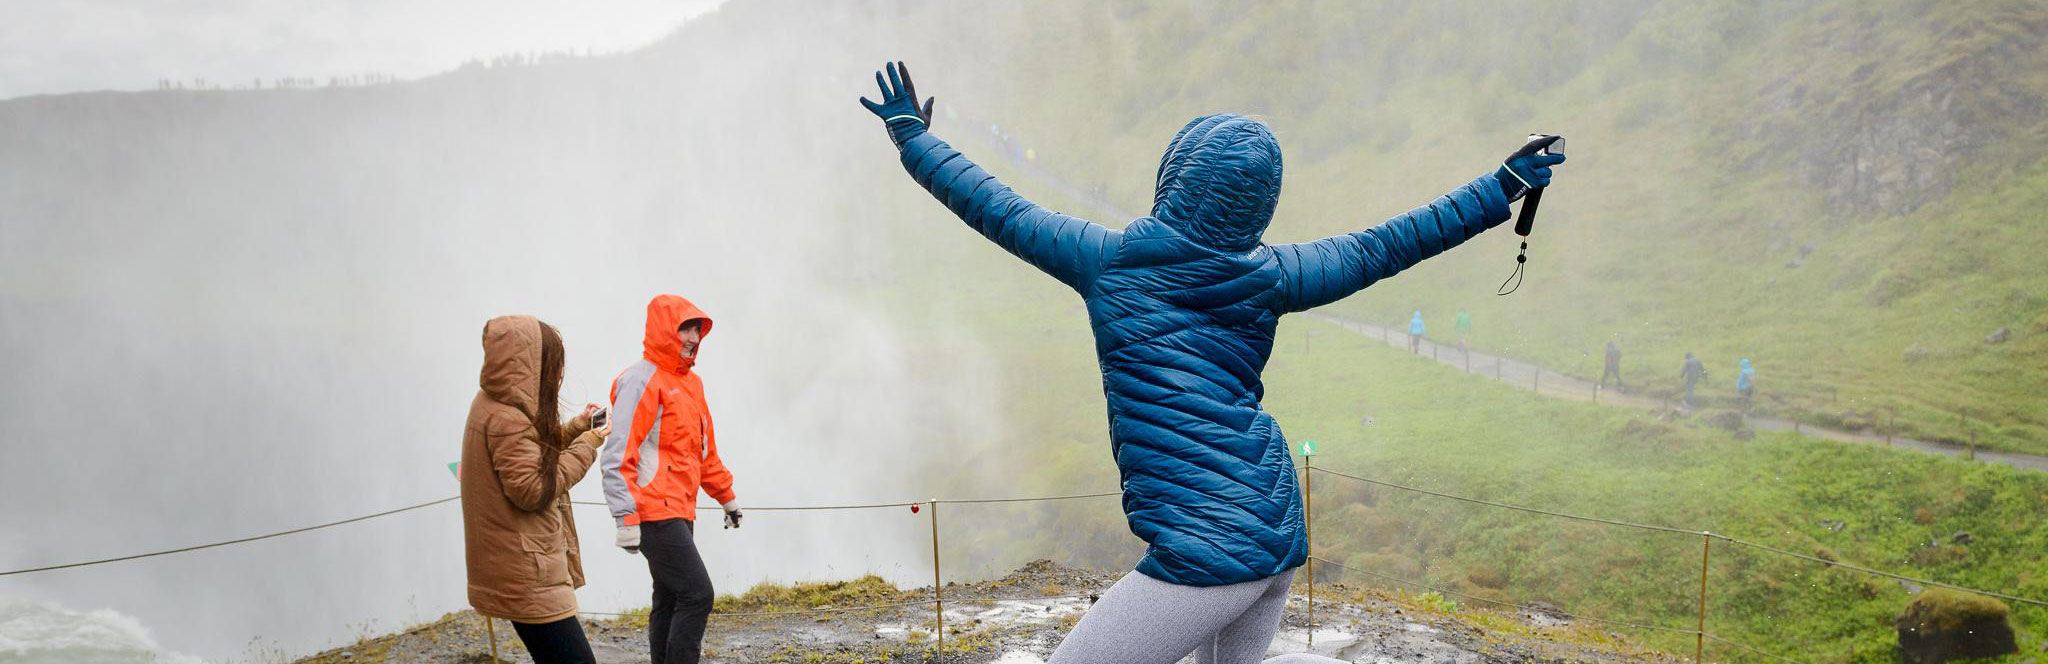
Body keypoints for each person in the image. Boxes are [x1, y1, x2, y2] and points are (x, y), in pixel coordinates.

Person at [860, 61, 1565, 664]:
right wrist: (1501, 183)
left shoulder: (1106, 262)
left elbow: (995, 207)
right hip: (1276, 530)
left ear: (1175, 179)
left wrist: (913, 139)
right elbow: (1389, 244)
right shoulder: (1275, 273)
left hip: (1208, 555)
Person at [601, 294, 743, 664]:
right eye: (685, 328)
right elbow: (618, 454)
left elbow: (702, 451)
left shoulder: (691, 384)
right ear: (665, 330)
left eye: (697, 329)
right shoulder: (638, 380)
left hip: (680, 508)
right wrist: (625, 517)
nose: (693, 337)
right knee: (698, 594)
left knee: (668, 598)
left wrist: (725, 496)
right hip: (651, 511)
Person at [461, 316, 609, 664]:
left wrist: (574, 428)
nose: (557, 374)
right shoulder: (508, 419)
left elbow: (528, 454)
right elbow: (532, 488)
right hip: (528, 573)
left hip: (520, 566)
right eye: (553, 362)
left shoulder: (493, 404)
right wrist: (588, 445)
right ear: (530, 362)